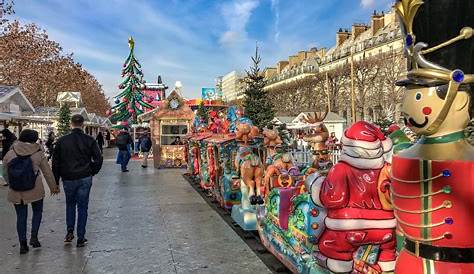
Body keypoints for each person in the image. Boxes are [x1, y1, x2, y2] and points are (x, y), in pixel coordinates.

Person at [3, 129, 59, 254]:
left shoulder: (10, 153)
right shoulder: (38, 153)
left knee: (21, 217)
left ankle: (23, 244)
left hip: (16, 191)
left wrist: (11, 183)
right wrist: (53, 187)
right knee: (37, 212)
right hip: (35, 189)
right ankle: (34, 238)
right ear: (35, 139)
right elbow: (47, 172)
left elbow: (4, 172)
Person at [52, 114, 103, 248]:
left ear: (71, 124)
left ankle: (69, 230)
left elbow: (55, 163)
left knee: (70, 204)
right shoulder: (89, 140)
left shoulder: (62, 141)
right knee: (82, 206)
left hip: (68, 177)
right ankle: (81, 237)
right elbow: (98, 159)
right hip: (84, 176)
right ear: (83, 124)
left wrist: (56, 181)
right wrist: (92, 171)